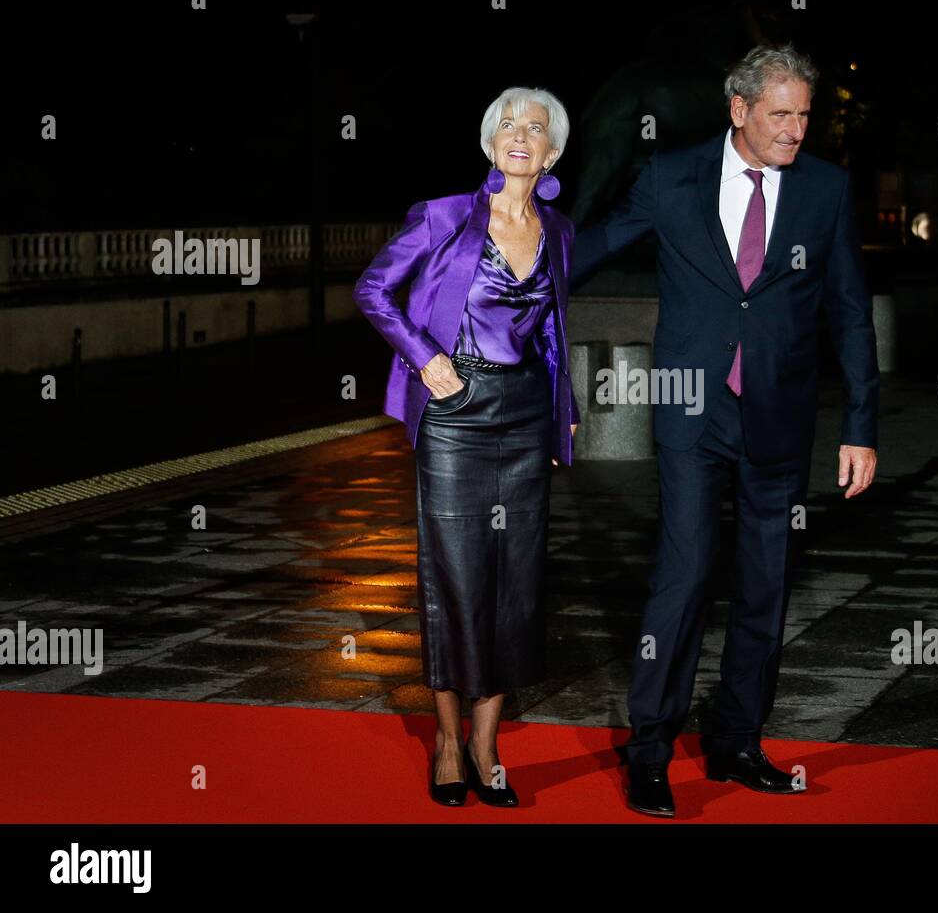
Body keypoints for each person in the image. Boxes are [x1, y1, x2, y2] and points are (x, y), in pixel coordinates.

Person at [572, 44, 881, 818]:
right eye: (780, 114)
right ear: (737, 109)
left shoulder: (826, 189)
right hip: (690, 413)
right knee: (683, 576)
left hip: (779, 417)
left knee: (764, 585)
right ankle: (649, 750)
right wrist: (493, 266)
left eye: (804, 114)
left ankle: (738, 740)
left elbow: (849, 311)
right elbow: (591, 247)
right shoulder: (670, 177)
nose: (795, 130)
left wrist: (860, 426)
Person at [353, 87, 580, 808]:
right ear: (490, 144)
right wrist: (424, 357)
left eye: (535, 129)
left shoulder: (560, 230)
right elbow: (373, 290)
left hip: (523, 414)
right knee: (455, 576)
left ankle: (488, 743)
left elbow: (552, 332)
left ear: (552, 153)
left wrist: (561, 414)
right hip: (454, 412)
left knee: (516, 579)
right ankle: (449, 742)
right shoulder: (446, 217)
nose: (521, 136)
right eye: (507, 125)